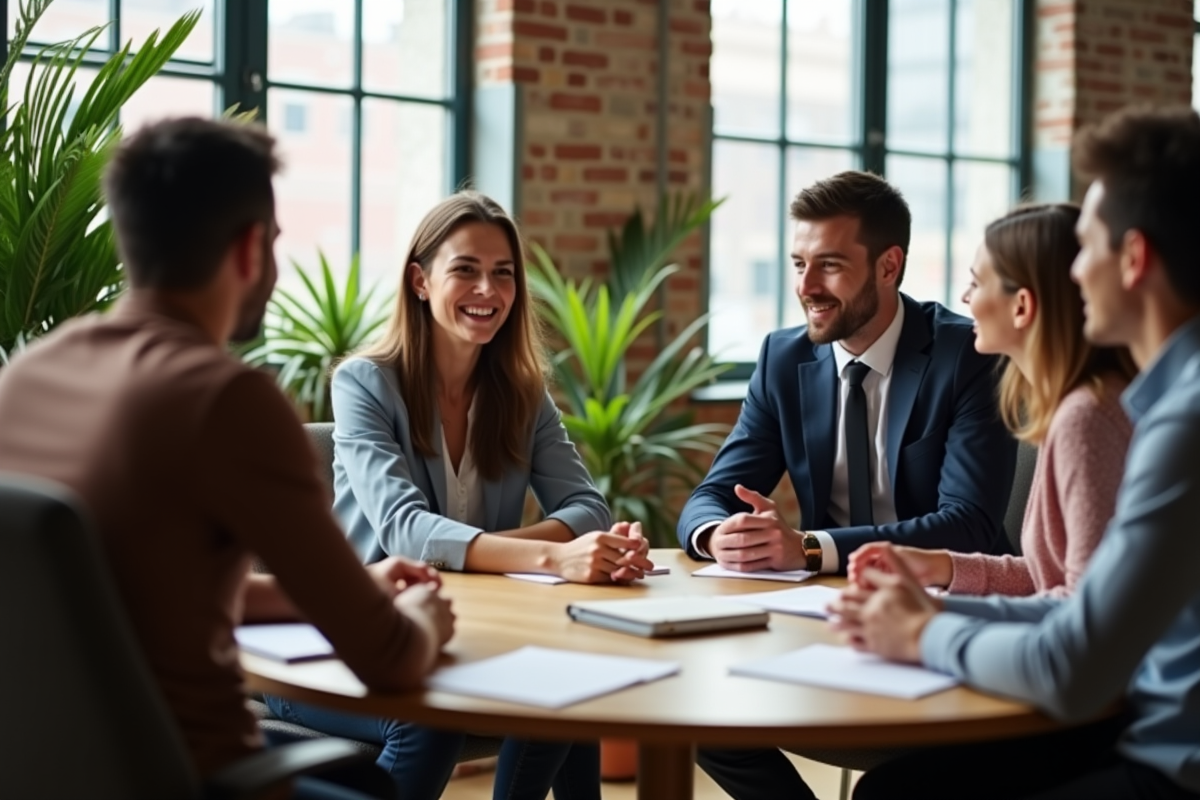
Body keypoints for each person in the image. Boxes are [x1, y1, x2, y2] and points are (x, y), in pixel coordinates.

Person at [0, 118, 454, 800]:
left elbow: (121, 588)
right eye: (273, 242)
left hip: (50, 770)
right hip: (189, 776)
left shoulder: (28, 376)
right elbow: (388, 660)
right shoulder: (225, 399)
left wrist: (347, 590)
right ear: (249, 250)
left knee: (356, 775)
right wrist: (422, 617)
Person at [835, 105, 1200, 800]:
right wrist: (936, 604)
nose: (1076, 269)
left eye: (1087, 245)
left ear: (1134, 260)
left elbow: (1077, 661)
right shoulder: (1161, 402)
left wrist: (923, 633)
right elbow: (1082, 602)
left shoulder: (1173, 420)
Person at [264, 191, 649, 800]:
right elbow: (406, 532)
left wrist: (553, 548)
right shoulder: (364, 383)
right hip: (335, 639)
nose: (488, 291)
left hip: (460, 634)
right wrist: (551, 556)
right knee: (431, 721)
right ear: (420, 280)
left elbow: (586, 509)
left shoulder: (522, 394)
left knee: (570, 692)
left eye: (503, 274)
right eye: (465, 269)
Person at [681, 170, 1017, 800]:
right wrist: (718, 533)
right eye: (799, 263)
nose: (806, 286)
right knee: (693, 706)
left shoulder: (966, 356)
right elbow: (709, 496)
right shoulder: (784, 359)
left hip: (943, 610)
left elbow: (969, 521)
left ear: (889, 266)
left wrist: (810, 548)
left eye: (829, 265)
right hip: (822, 615)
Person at [849, 203, 1135, 598]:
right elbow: (1052, 576)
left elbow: (1086, 612)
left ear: (1021, 306)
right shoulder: (1076, 407)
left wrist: (931, 623)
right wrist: (943, 566)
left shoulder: (1086, 419)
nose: (965, 299)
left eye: (976, 283)